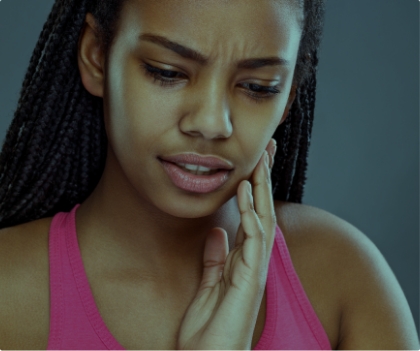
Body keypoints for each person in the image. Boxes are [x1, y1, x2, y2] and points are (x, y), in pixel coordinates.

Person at [0, 0, 418, 349]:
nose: (212, 123)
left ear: (289, 95)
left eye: (258, 87)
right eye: (167, 71)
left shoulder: (345, 281)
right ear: (96, 56)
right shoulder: (8, 296)